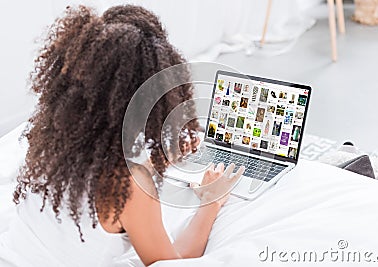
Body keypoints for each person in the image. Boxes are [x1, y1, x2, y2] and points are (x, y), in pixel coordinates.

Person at [0, 5, 244, 267]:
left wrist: (162, 154)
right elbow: (173, 262)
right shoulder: (128, 186)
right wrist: (211, 202)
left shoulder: (50, 139)